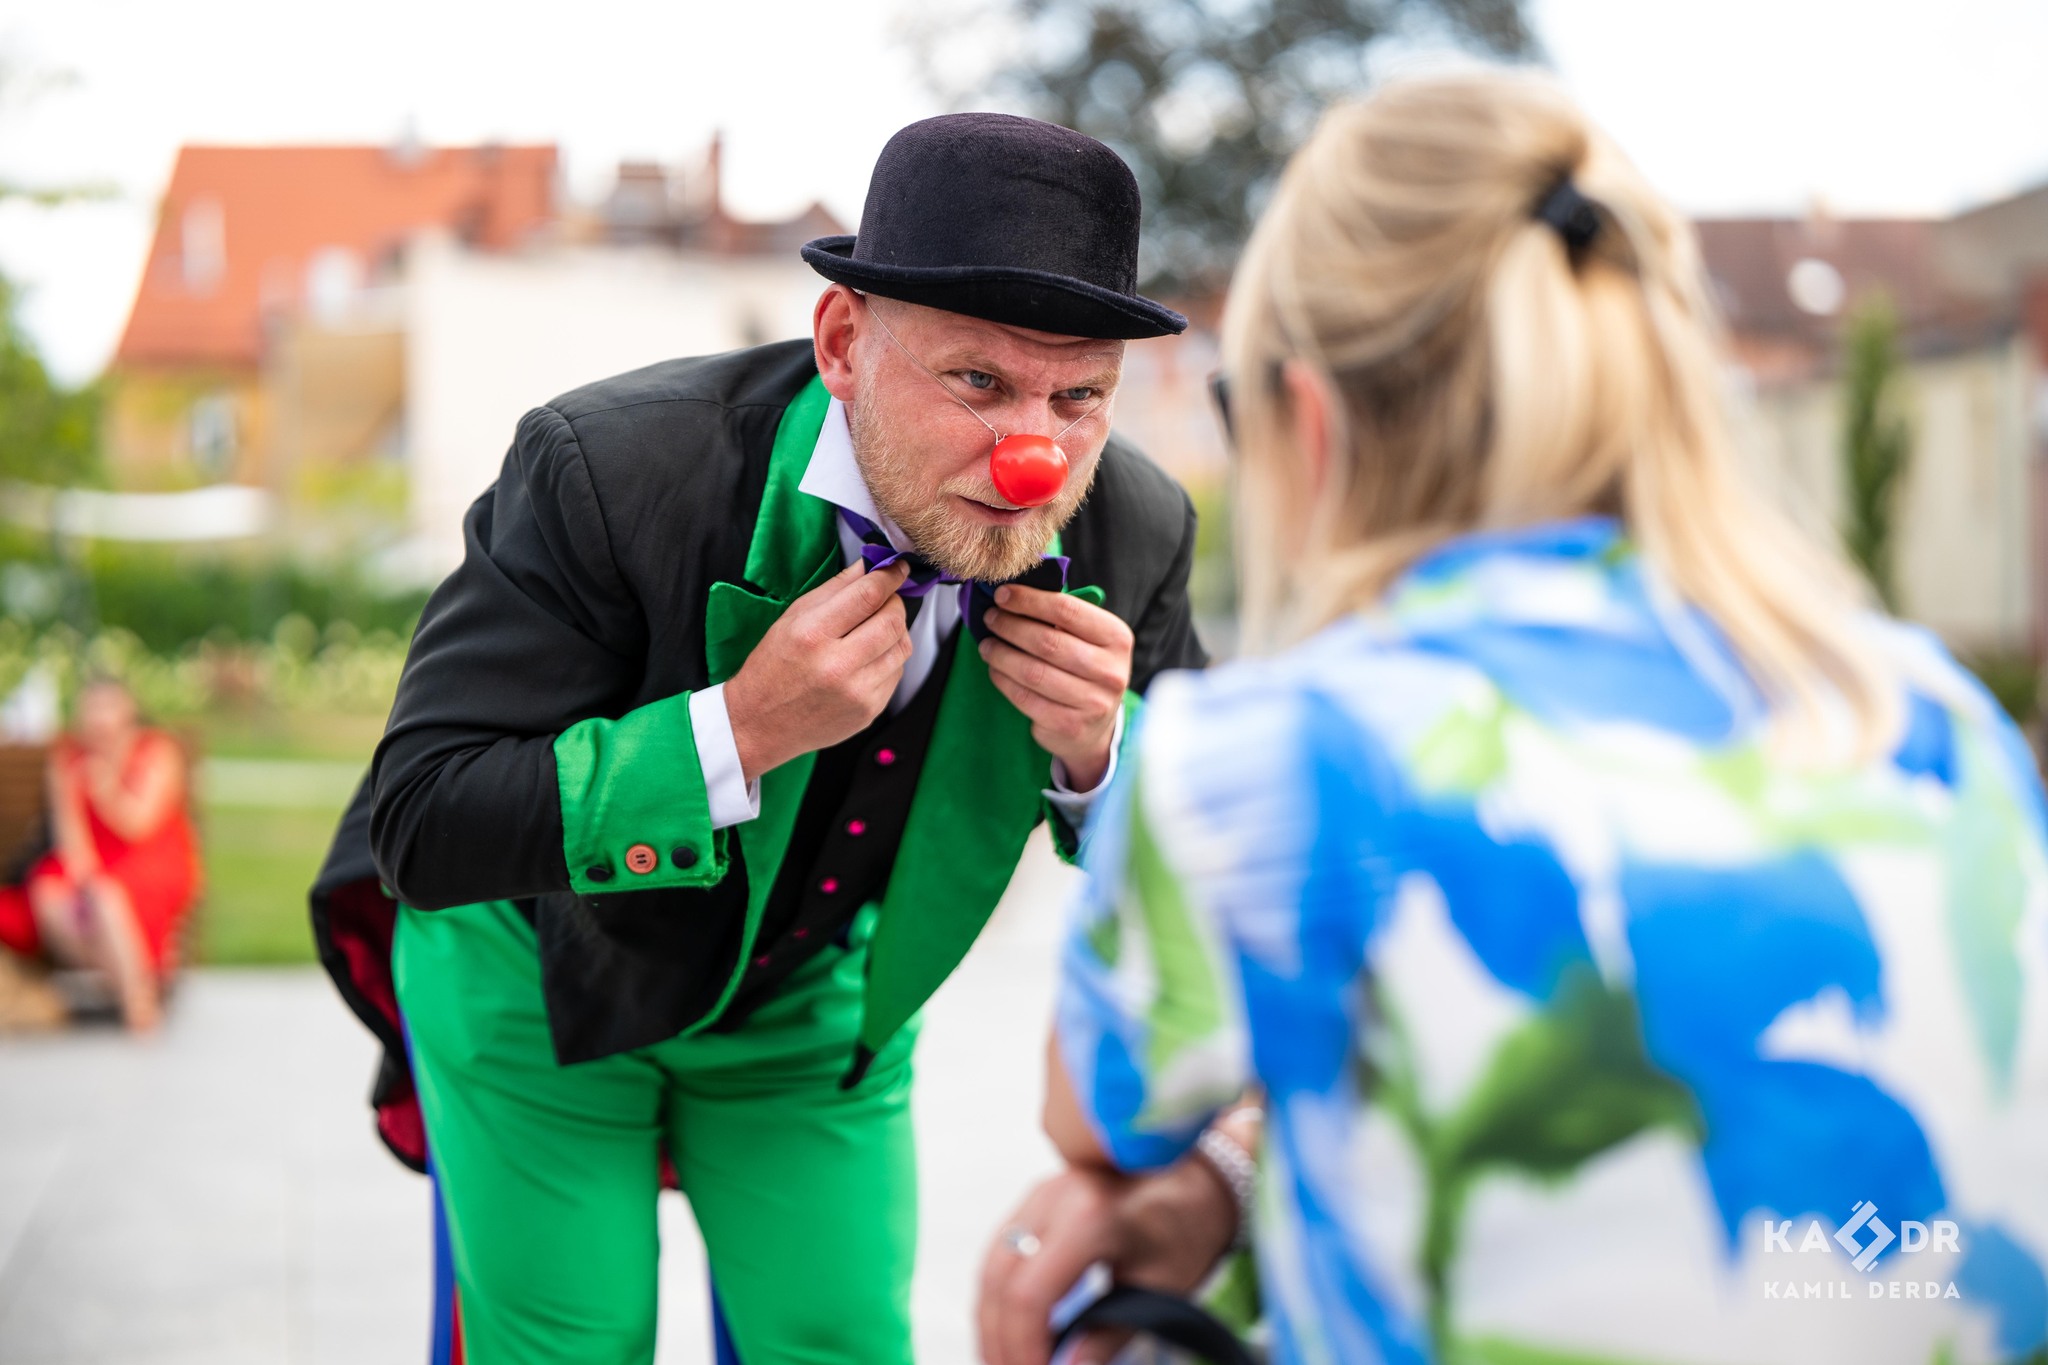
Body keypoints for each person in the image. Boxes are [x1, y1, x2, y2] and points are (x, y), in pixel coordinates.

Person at [979, 71, 2048, 1365]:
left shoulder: (1271, 762)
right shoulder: (1936, 715)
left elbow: (1097, 1123)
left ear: (1310, 423)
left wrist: (1219, 1178)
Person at [308, 112, 1206, 1365]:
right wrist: (731, 730)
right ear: (842, 342)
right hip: (539, 976)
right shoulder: (610, 467)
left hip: (813, 1005)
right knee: (569, 1344)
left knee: (836, 1338)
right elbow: (425, 818)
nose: (1031, 458)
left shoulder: (1135, 529)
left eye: (1080, 398)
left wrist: (1103, 754)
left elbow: (1209, 847)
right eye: (976, 383)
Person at [0, 676, 201, 1032]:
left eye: (107, 707)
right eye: (91, 708)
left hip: (146, 862)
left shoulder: (156, 751)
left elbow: (138, 825)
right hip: (93, 862)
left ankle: (137, 1001)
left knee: (108, 896)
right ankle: (133, 985)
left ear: (128, 710)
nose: (98, 718)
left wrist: (105, 786)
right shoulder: (68, 759)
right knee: (53, 893)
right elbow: (70, 837)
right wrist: (83, 877)